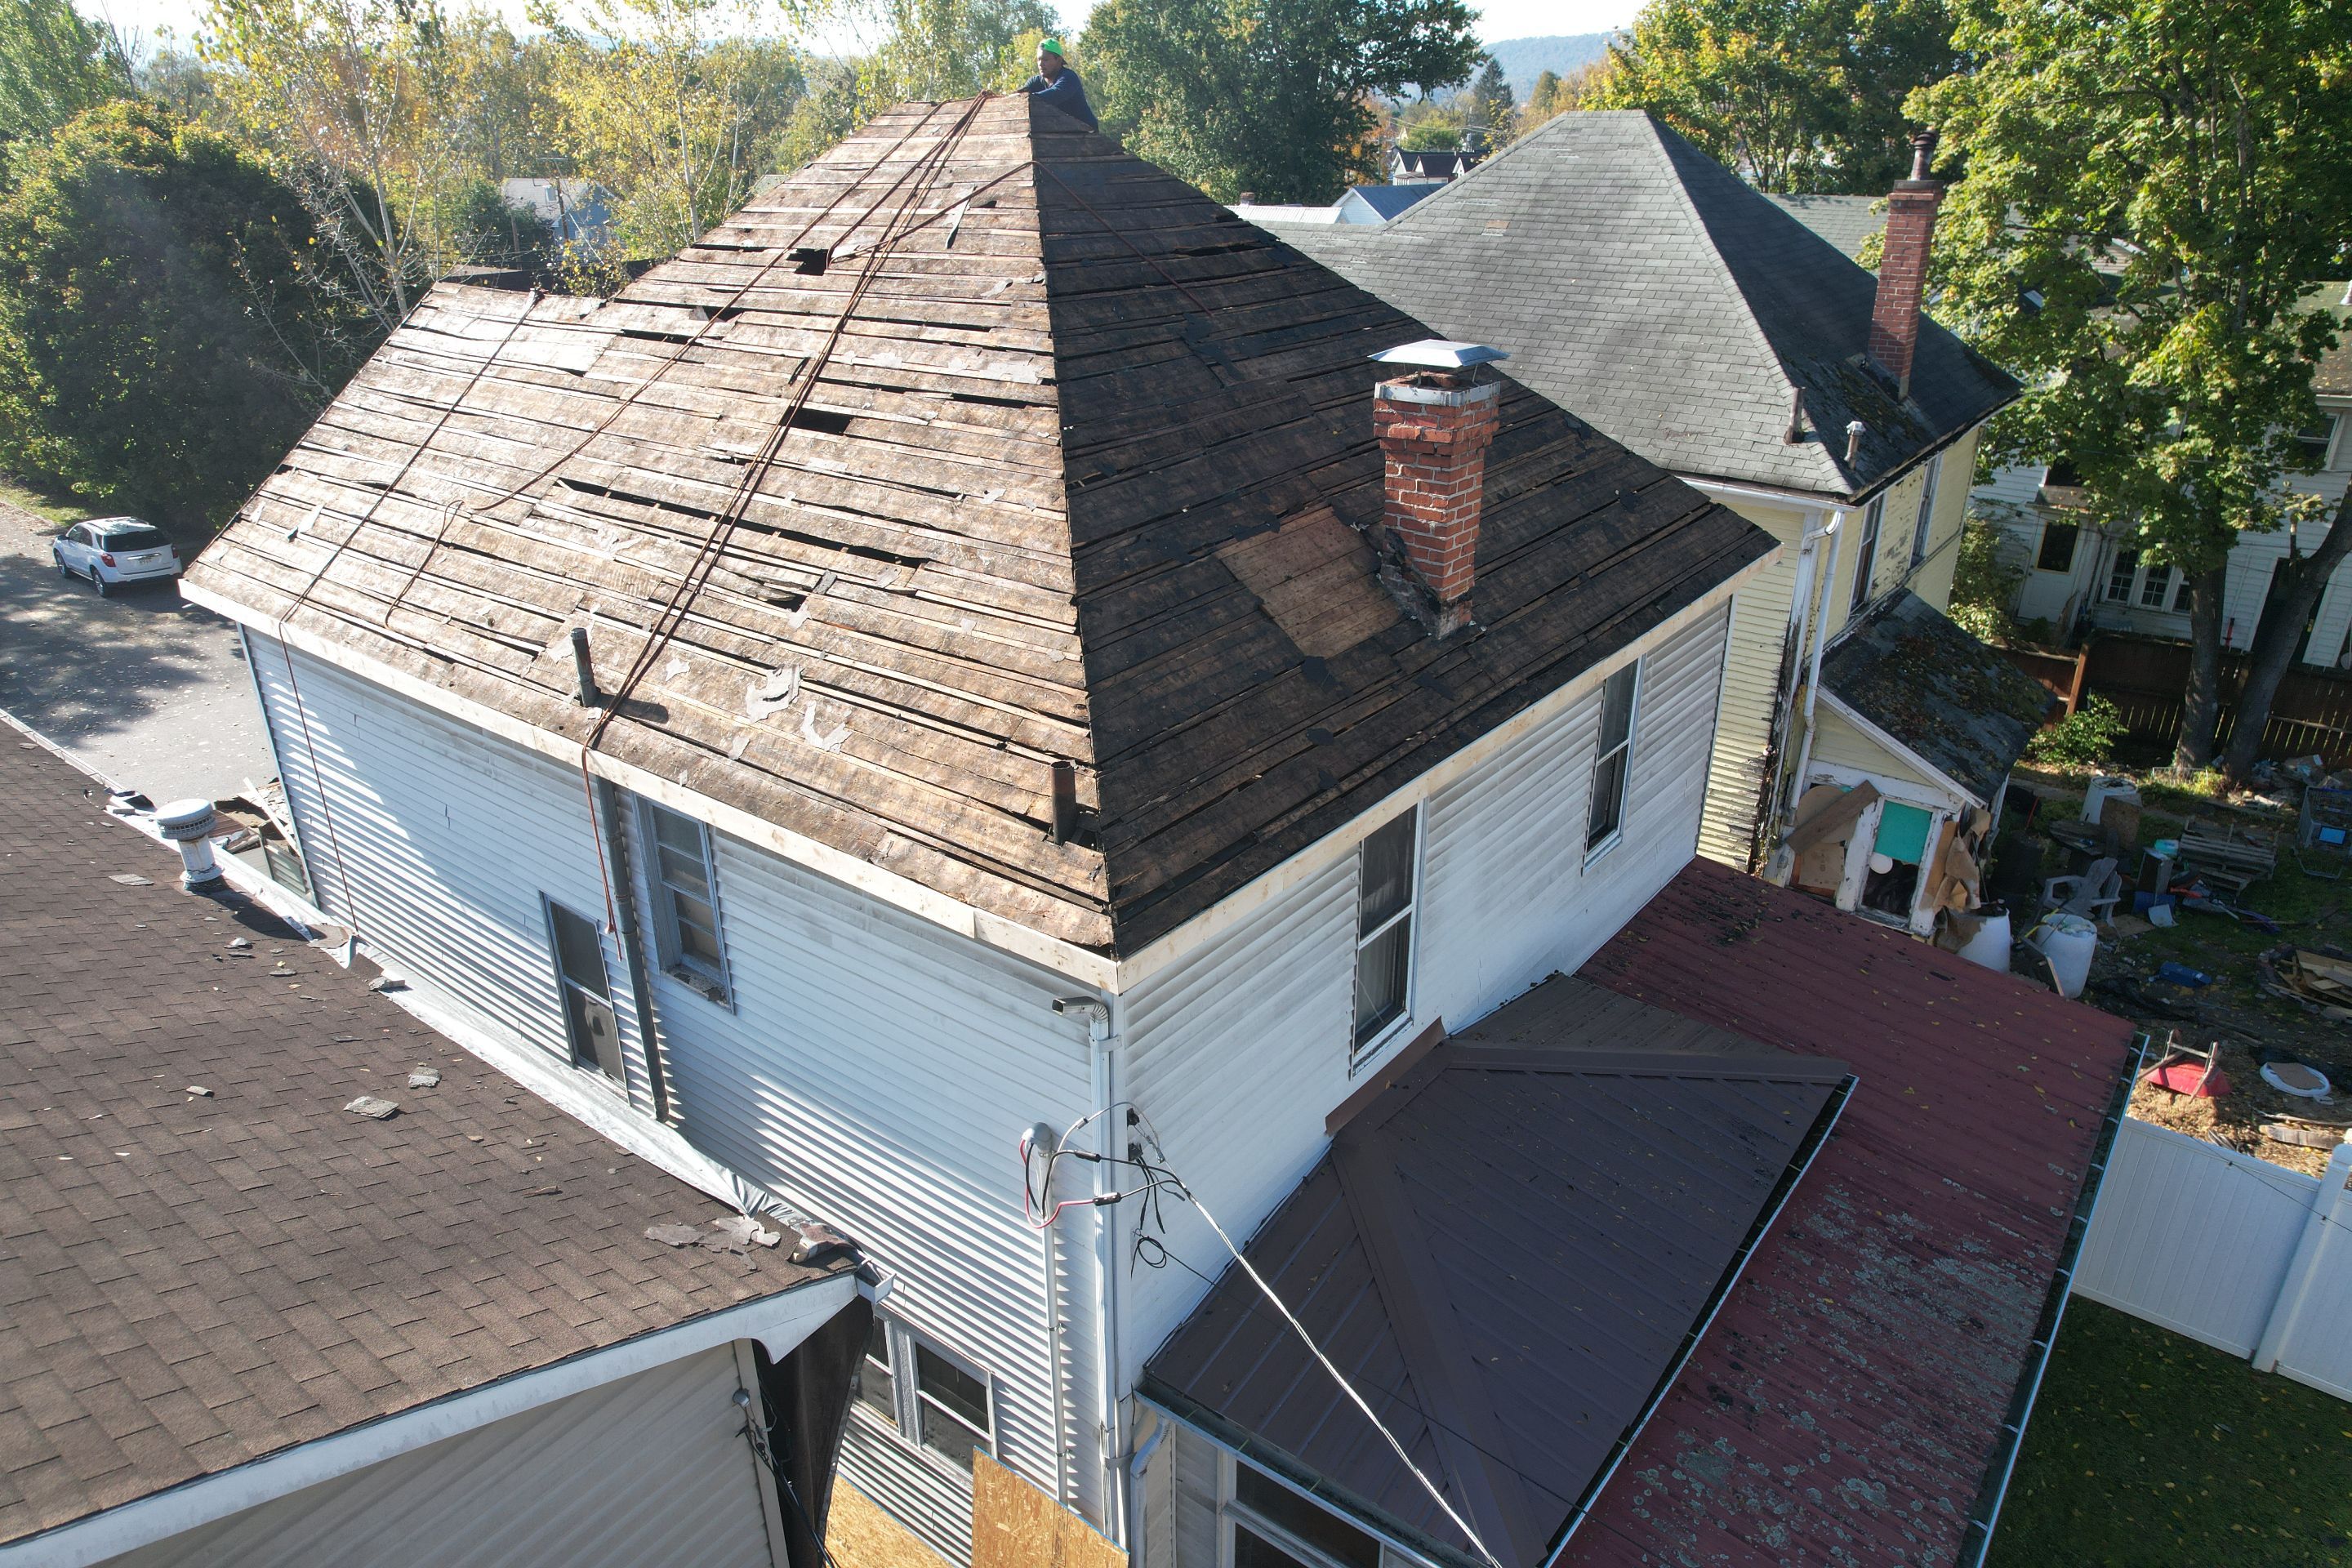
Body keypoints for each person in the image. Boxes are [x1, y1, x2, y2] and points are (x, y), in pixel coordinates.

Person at [1019, 38, 1098, 131]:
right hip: (1058, 134)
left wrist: (1029, 98)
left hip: (1086, 134)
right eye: (1039, 60)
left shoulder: (1069, 77)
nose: (1041, 64)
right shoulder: (1034, 82)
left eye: (1045, 60)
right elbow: (1021, 97)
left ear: (1059, 60)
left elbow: (1055, 94)